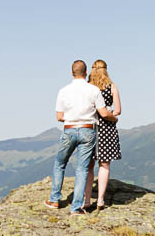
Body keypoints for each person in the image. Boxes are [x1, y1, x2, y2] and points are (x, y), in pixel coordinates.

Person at [49, 59, 117, 215]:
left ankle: (54, 200)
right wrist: (114, 119)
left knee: (60, 163)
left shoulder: (63, 91)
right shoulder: (93, 90)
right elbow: (104, 113)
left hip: (69, 129)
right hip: (88, 130)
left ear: (72, 73)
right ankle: (76, 208)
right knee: (82, 169)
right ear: (86, 72)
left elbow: (59, 116)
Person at [87, 59, 122, 209]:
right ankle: (100, 199)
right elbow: (118, 110)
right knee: (104, 163)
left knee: (88, 165)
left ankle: (86, 199)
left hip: (90, 125)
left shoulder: (88, 87)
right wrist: (111, 114)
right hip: (107, 126)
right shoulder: (112, 86)